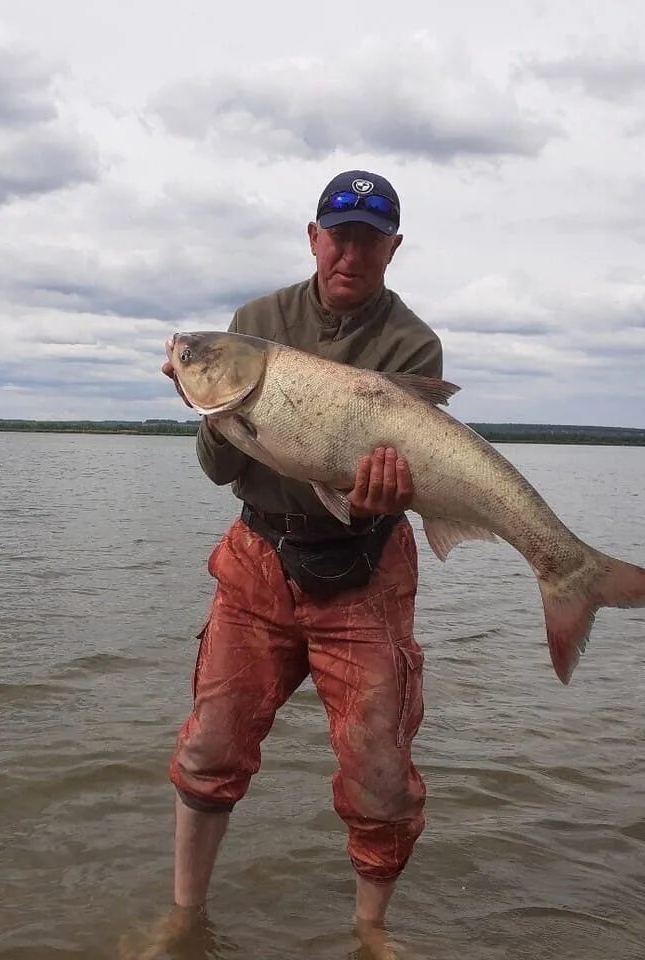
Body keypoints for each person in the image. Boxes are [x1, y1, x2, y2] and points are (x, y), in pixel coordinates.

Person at [149, 169, 444, 957]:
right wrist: (209, 406)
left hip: (365, 565)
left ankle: (371, 932)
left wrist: (385, 497)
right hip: (258, 556)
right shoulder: (255, 324)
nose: (351, 250)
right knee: (211, 744)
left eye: (369, 237)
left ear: (393, 247)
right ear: (314, 238)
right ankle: (185, 920)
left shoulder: (412, 343)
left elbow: (382, 495)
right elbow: (219, 470)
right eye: (337, 233)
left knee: (380, 767)